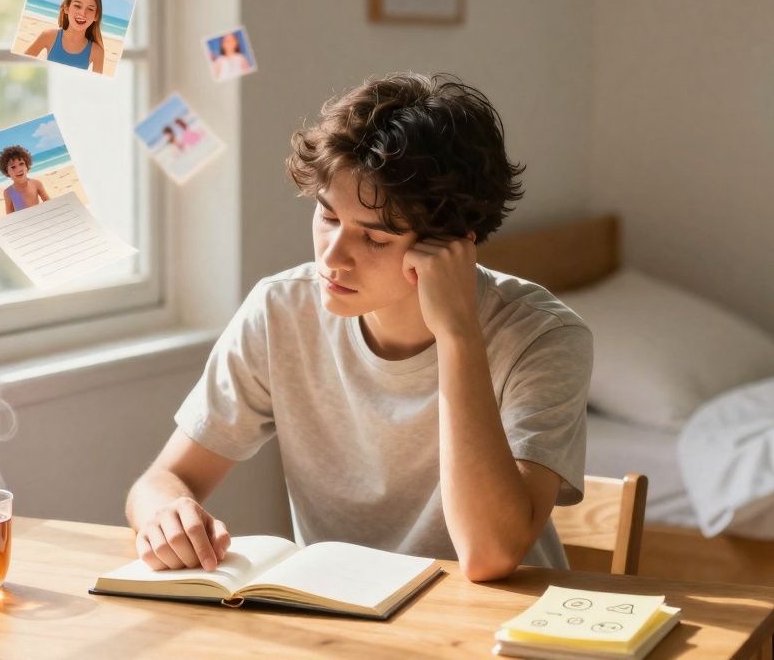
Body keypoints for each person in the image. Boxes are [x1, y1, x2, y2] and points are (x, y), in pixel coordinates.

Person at [125, 72, 592, 581]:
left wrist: (458, 335)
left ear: (453, 244)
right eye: (328, 218)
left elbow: (489, 555)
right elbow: (162, 479)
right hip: (339, 617)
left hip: (489, 623)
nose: (333, 258)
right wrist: (166, 513)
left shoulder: (543, 337)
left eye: (373, 238)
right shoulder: (281, 309)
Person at [24, 0, 106, 75]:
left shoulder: (97, 51)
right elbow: (21, 65)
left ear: (96, 16)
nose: (83, 13)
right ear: (66, 8)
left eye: (90, 9)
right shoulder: (48, 36)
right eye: (77, 6)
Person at [0, 145, 50, 213]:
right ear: (6, 171)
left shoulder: (36, 184)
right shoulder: (8, 192)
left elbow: (49, 203)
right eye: (13, 167)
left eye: (21, 164)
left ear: (27, 165)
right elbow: (10, 215)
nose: (19, 169)